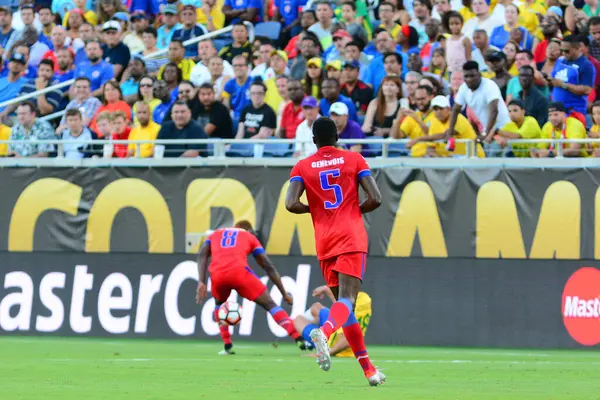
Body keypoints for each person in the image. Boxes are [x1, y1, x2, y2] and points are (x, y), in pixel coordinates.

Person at [285, 116, 384, 386]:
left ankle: (369, 370)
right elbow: (376, 198)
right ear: (337, 137)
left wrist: (317, 210)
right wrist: (351, 211)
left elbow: (291, 204)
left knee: (345, 308)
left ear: (314, 140)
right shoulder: (354, 160)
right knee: (348, 301)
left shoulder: (303, 166)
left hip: (324, 240)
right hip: (350, 235)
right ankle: (324, 332)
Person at [196, 220, 306, 355]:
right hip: (240, 273)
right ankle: (298, 337)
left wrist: (201, 281)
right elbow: (267, 266)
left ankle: (227, 345)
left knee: (219, 304)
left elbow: (202, 254)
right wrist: (284, 294)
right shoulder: (249, 237)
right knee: (270, 304)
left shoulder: (214, 235)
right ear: (248, 230)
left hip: (218, 275)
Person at [294, 286, 372, 357]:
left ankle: (316, 341)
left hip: (332, 343)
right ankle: (311, 339)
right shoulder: (364, 298)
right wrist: (326, 289)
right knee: (316, 307)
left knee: (298, 320)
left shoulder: (358, 302)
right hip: (337, 328)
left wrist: (324, 353)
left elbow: (348, 339)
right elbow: (342, 307)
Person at [450, 61, 510, 144]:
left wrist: (485, 133)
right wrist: (450, 132)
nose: (469, 79)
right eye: (466, 76)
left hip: (504, 130)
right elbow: (455, 110)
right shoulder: (464, 88)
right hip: (489, 132)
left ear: (479, 74)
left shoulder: (489, 85)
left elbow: (494, 110)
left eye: (472, 76)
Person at [547, 35, 596, 116]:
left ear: (577, 48)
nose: (563, 53)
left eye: (567, 51)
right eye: (561, 50)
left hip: (574, 111)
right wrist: (549, 80)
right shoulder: (560, 60)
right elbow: (554, 78)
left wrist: (563, 85)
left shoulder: (586, 66)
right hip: (556, 110)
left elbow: (587, 90)